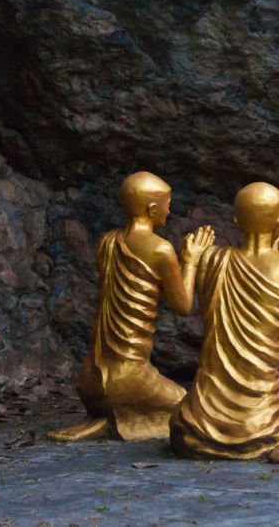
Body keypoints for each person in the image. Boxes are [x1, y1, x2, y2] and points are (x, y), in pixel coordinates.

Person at [170, 183, 279, 463]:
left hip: (200, 422)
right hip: (262, 419)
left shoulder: (211, 259)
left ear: (236, 221)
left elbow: (183, 305)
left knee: (177, 420)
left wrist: (190, 260)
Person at [49, 172, 213, 441]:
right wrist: (191, 260)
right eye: (167, 204)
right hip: (130, 379)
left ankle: (108, 417)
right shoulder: (160, 249)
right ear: (152, 208)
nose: (170, 210)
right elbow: (183, 305)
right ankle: (123, 415)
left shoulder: (107, 242)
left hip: (90, 380)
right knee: (190, 406)